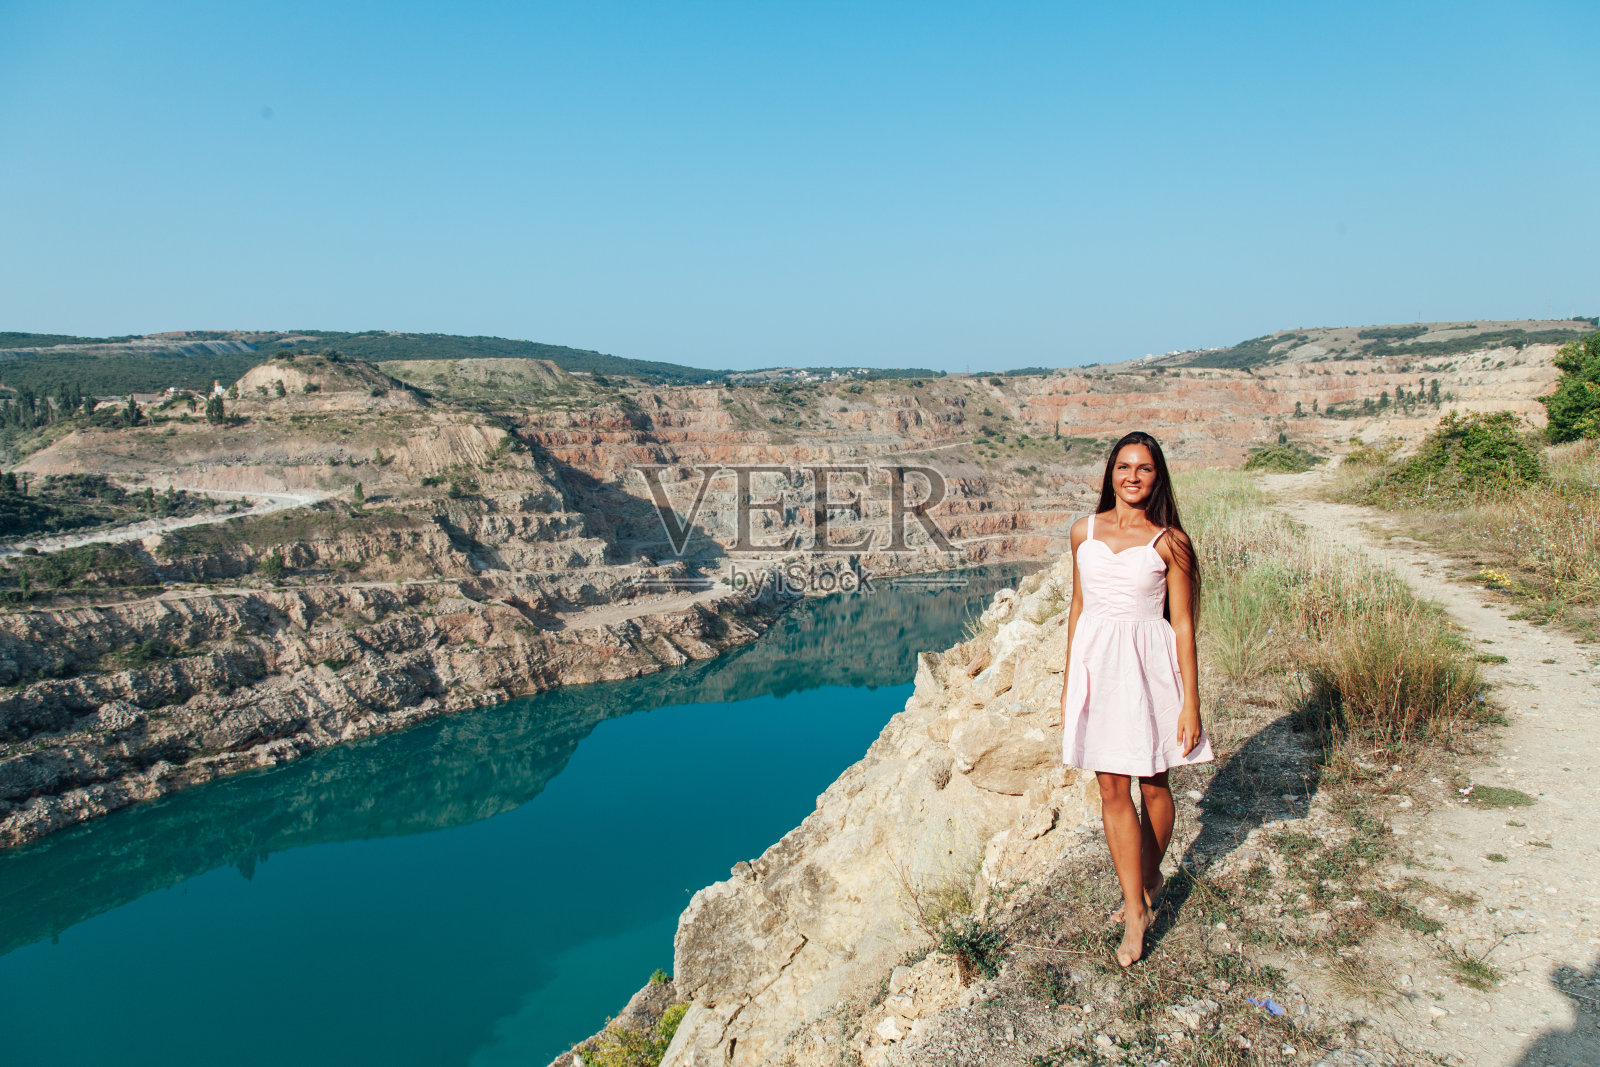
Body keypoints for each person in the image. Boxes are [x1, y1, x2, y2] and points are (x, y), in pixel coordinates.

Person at [1058, 430, 1213, 967]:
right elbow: (1079, 611)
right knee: (1110, 788)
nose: (1132, 476)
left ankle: (1149, 871)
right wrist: (1068, 684)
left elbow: (1185, 625)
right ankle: (1135, 910)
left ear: (1157, 476)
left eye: (1144, 468)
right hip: (1098, 668)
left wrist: (1191, 703)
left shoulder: (1170, 542)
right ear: (1110, 472)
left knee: (1154, 785)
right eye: (1124, 466)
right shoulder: (1083, 532)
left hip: (1150, 669)